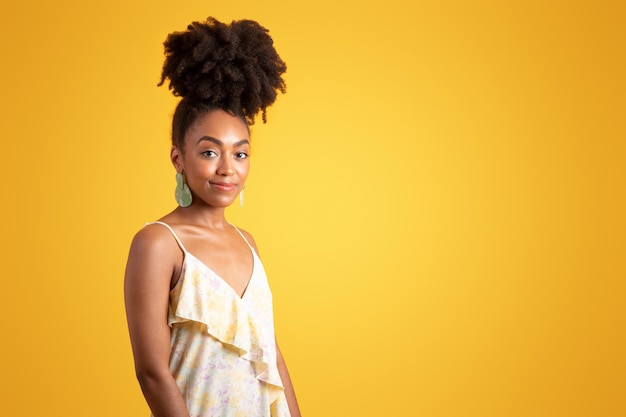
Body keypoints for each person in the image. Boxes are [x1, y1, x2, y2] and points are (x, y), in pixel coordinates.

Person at [124, 17, 301, 417]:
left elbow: (269, 351)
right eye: (209, 152)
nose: (227, 168)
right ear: (178, 159)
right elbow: (151, 373)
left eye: (240, 153)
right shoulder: (158, 243)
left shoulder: (248, 243)